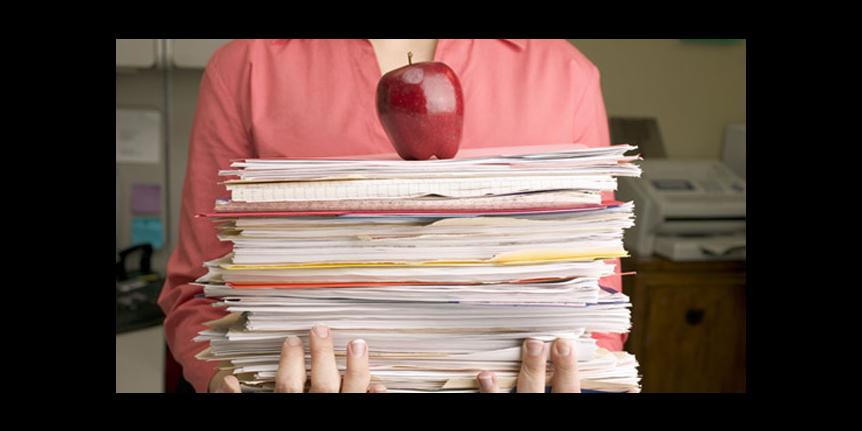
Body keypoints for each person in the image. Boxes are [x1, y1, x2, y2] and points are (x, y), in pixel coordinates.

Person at [159, 39, 624, 393]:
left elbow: (598, 300)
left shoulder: (564, 72)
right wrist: (228, 381)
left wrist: (579, 376)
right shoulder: (249, 66)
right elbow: (198, 290)